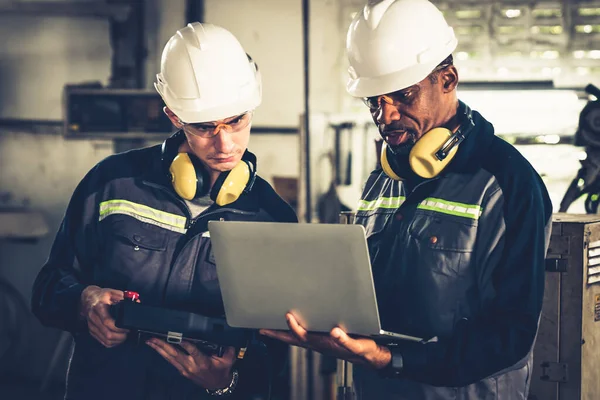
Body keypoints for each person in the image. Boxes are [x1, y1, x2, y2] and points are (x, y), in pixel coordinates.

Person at [260, 0, 553, 399]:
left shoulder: (508, 184)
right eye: (373, 101)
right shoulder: (385, 177)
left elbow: (510, 335)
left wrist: (391, 359)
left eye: (403, 96)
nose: (386, 116)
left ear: (447, 79)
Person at [32, 22, 296, 400]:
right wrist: (83, 301)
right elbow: (47, 287)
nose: (225, 143)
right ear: (174, 116)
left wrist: (226, 382)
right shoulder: (112, 183)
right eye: (205, 127)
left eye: (236, 121)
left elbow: (277, 358)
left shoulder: (273, 219)